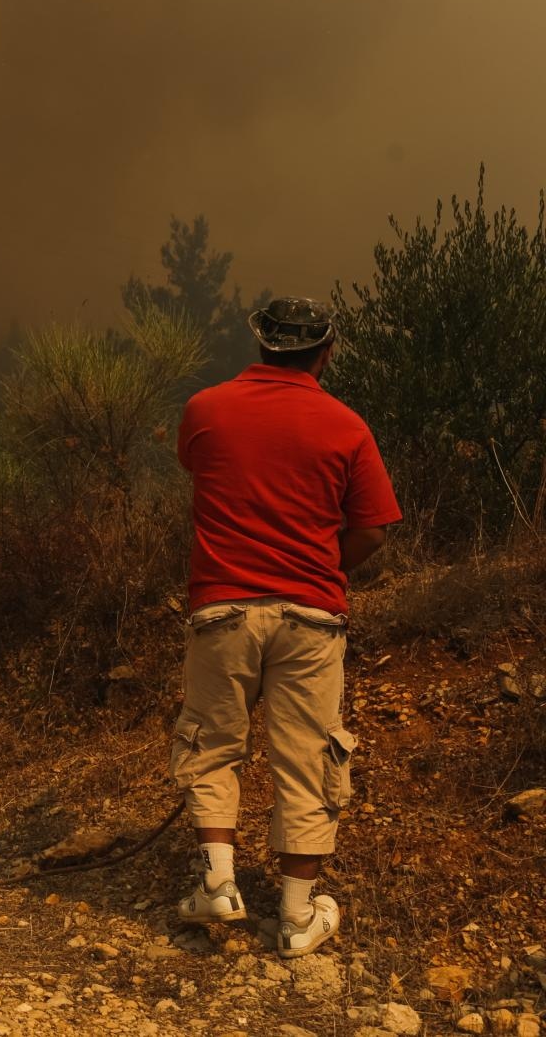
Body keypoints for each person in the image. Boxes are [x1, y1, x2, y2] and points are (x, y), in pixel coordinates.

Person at [171, 297, 401, 958]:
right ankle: (298, 918)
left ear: (261, 345)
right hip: (311, 616)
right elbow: (375, 531)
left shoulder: (205, 410)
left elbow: (198, 466)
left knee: (212, 745)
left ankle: (219, 886)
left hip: (222, 610)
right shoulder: (347, 426)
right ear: (325, 354)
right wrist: (329, 566)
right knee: (308, 760)